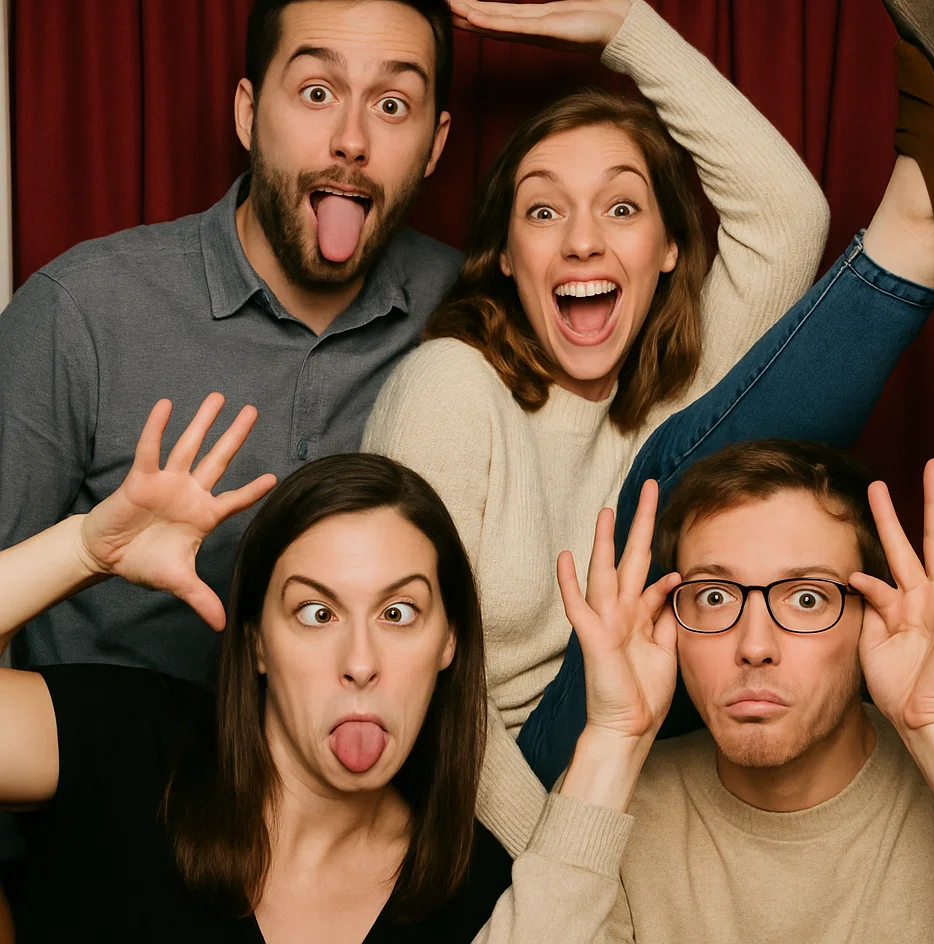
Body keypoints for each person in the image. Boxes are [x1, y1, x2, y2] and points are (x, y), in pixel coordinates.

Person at [363, 0, 934, 802]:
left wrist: (629, 30)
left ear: (672, 247)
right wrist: (544, 858)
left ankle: (925, 233)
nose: (585, 239)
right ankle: (922, 236)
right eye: (544, 211)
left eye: (623, 207)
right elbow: (413, 677)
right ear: (506, 259)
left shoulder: (684, 382)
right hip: (499, 783)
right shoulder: (450, 389)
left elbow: (786, 216)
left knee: (717, 507)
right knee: (670, 500)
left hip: (655, 724)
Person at [0, 394, 681, 942]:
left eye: (400, 614)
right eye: (316, 614)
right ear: (258, 641)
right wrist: (85, 551)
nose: (360, 663)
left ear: (450, 644)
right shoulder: (132, 744)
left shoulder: (470, 889)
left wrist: (618, 735)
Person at [0, 0, 463, 685]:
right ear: (248, 114)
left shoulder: (470, 310)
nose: (351, 139)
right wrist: (90, 551)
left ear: (434, 145)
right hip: (108, 771)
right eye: (316, 92)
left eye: (391, 105)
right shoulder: (81, 309)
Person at [491, 438, 934, 941]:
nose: (755, 645)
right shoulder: (607, 801)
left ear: (872, 621)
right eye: (716, 596)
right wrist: (613, 738)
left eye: (808, 598)